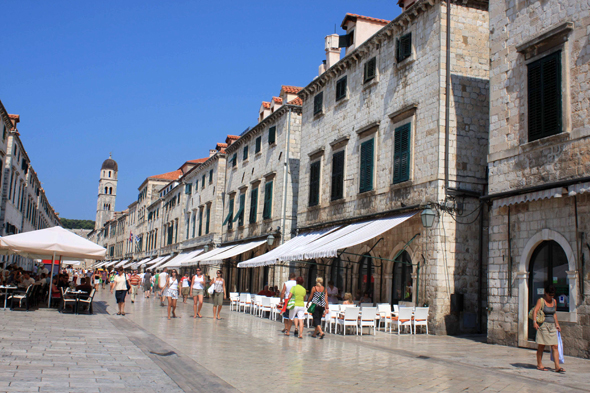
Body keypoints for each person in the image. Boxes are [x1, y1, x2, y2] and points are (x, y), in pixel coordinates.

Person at [532, 284, 564, 373]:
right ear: (546, 293)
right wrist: (535, 322)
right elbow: (535, 310)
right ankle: (539, 364)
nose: (551, 297)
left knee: (555, 346)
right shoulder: (541, 301)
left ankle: (557, 366)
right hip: (543, 325)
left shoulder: (554, 301)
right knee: (541, 345)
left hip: (552, 325)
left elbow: (554, 313)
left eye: (553, 295)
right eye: (550, 295)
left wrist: (557, 324)